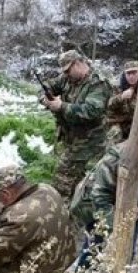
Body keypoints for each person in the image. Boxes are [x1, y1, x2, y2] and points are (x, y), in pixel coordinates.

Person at [0, 166, 76, 273]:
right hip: (63, 262)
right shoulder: (48, 189)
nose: (0, 200)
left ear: (6, 193)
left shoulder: (18, 214)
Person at [41, 49, 112, 200]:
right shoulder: (67, 78)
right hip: (71, 139)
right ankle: (74, 213)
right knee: (78, 183)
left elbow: (92, 111)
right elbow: (49, 85)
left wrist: (62, 106)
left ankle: (61, 214)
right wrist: (45, 98)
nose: (65, 74)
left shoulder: (98, 83)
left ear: (78, 64)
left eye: (68, 70)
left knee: (62, 184)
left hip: (89, 144)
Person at [105, 60, 138, 144]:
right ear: (124, 75)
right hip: (119, 123)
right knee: (114, 134)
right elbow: (109, 104)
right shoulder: (117, 88)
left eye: (134, 73)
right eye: (128, 74)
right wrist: (121, 97)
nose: (131, 76)